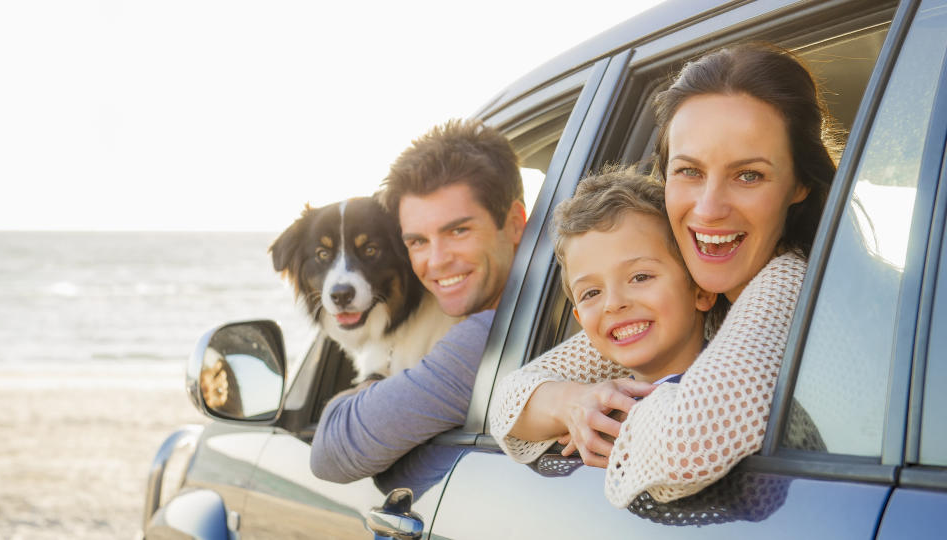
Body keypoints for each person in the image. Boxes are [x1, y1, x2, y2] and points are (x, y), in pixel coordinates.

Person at [490, 43, 837, 507]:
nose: (710, 209)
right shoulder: (690, 302)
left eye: (749, 175)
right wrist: (575, 403)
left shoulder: (786, 283)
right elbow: (509, 398)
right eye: (689, 171)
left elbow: (686, 446)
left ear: (800, 184)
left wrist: (612, 416)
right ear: (665, 178)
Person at [309, 118, 527, 483]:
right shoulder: (544, 305)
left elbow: (331, 453)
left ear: (516, 221)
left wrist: (373, 383)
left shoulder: (487, 338)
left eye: (458, 230)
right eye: (417, 242)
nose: (437, 261)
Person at [503, 165, 716, 464]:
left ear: (701, 290)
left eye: (640, 277)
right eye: (591, 293)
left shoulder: (725, 393)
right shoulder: (597, 405)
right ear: (580, 320)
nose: (613, 304)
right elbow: (509, 412)